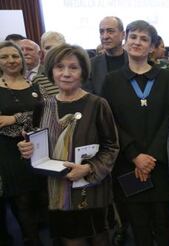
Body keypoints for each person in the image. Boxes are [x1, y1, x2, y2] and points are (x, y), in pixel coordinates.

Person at [18, 44, 119, 245]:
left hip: (92, 192)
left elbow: (112, 147)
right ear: (51, 71)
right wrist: (27, 150)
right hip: (58, 195)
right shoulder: (42, 106)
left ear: (83, 72)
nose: (65, 73)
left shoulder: (98, 104)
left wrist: (89, 168)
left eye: (73, 67)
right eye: (59, 67)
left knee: (101, 241)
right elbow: (37, 148)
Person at [101, 20, 169, 246]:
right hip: (129, 165)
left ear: (152, 46)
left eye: (144, 39)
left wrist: (150, 158)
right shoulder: (111, 81)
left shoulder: (167, 79)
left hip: (159, 163)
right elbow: (110, 122)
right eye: (133, 36)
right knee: (139, 225)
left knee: (164, 223)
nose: (137, 42)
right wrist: (136, 156)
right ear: (125, 40)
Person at [0, 41, 44, 245]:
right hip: (8, 152)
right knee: (22, 201)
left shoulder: (35, 86)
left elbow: (44, 116)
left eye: (15, 56)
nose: (11, 60)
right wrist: (24, 121)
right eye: (4, 57)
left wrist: (14, 118)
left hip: (39, 148)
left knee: (40, 199)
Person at [87, 16, 127, 95]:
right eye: (101, 32)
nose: (105, 36)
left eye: (110, 31)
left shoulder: (135, 61)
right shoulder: (91, 65)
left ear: (123, 35)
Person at [31, 31, 65, 96]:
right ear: (42, 52)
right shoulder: (38, 80)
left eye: (57, 48)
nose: (52, 51)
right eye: (48, 48)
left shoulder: (75, 74)